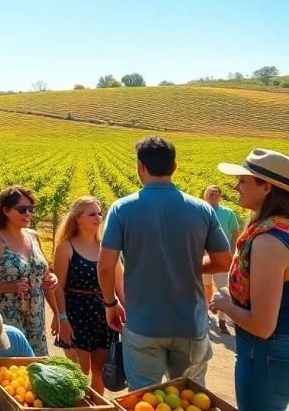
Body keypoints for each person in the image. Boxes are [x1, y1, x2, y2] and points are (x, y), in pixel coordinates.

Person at [98, 136, 232, 389]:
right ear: (174, 167)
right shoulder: (203, 209)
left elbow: (105, 266)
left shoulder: (121, 209)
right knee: (188, 397)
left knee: (144, 397)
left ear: (140, 166)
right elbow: (224, 261)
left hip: (143, 323)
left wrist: (110, 304)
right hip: (189, 323)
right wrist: (188, 264)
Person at [211, 149, 289, 411]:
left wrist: (224, 303)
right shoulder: (284, 229)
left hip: (265, 351)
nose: (235, 187)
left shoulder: (269, 240)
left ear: (266, 187)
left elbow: (262, 325)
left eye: (243, 181)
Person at [0, 186, 59, 356]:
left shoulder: (34, 236)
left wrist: (57, 312)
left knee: (35, 368)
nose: (28, 213)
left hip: (35, 320)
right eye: (23, 209)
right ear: (6, 210)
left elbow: (44, 275)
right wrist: (9, 286)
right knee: (8, 370)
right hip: (5, 319)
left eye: (31, 209)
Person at [52, 196, 121, 396]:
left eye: (99, 213)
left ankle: (97, 408)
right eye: (91, 214)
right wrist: (61, 318)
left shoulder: (107, 247)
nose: (98, 218)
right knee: (79, 374)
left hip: (103, 316)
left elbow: (118, 282)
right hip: (76, 316)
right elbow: (59, 286)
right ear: (77, 219)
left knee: (100, 374)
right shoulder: (66, 246)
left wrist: (123, 307)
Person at [201, 184, 242, 334]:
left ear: (220, 196)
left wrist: (232, 250)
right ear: (204, 195)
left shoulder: (228, 213)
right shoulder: (199, 211)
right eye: (209, 193)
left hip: (220, 256)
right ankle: (205, 312)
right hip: (202, 255)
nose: (212, 196)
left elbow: (235, 232)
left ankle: (222, 319)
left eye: (215, 194)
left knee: (222, 288)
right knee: (205, 285)